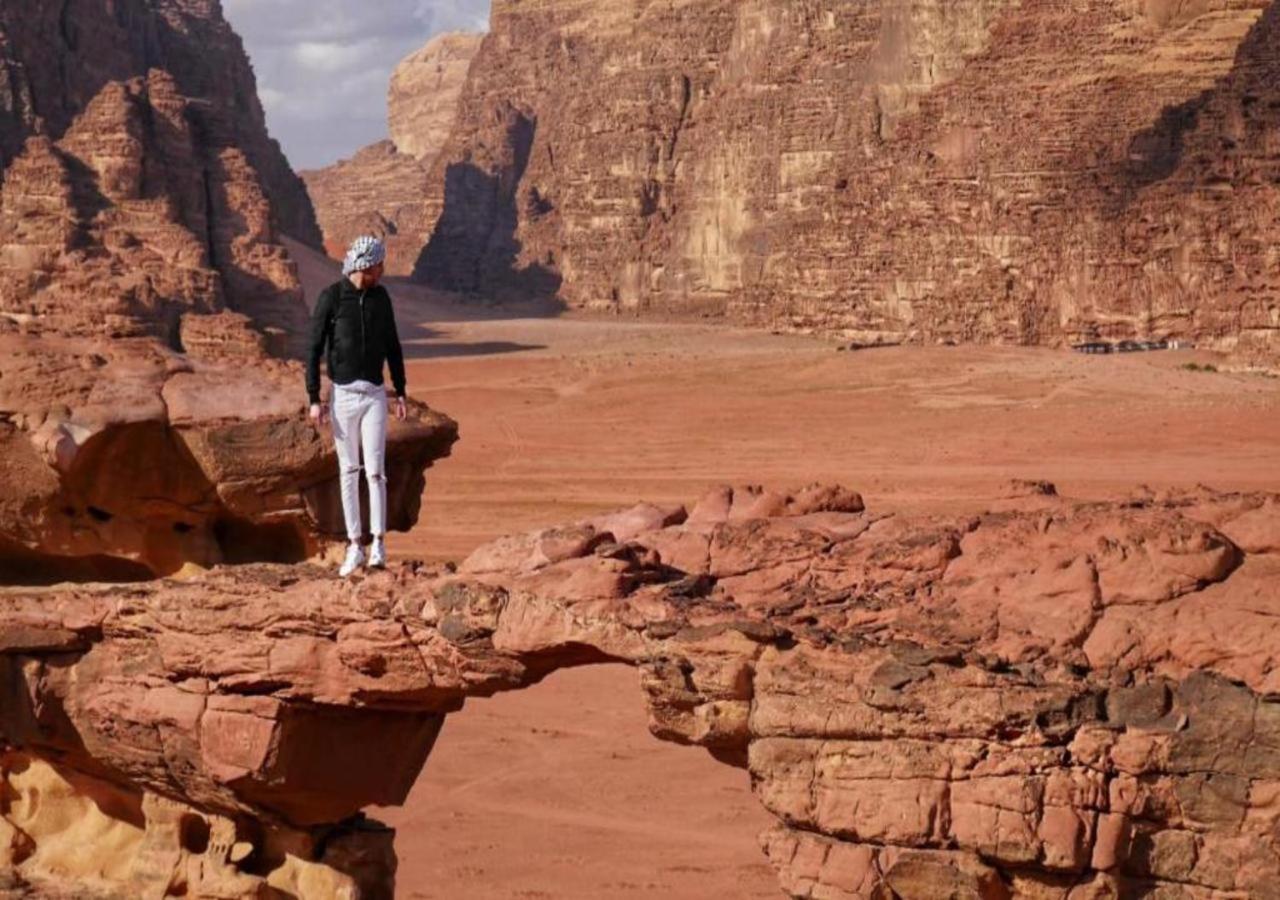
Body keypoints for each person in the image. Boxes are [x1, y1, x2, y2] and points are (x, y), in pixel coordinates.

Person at [306, 235, 408, 576]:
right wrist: (313, 398)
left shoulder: (381, 299)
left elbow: (392, 344)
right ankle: (354, 546)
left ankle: (378, 542)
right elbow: (313, 349)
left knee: (376, 471)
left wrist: (401, 389)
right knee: (349, 472)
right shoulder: (331, 299)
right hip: (343, 396)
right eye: (379, 266)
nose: (382, 271)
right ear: (366, 265)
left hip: (375, 394)